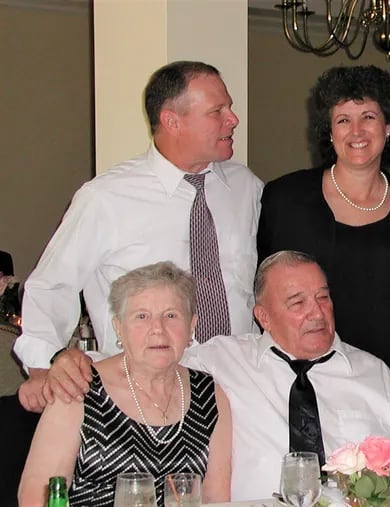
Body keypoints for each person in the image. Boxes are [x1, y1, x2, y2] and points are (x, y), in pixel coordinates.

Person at [47, 251, 390, 501]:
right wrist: (70, 362)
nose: (316, 312)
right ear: (263, 316)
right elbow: (148, 355)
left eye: (323, 297)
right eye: (297, 302)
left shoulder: (373, 373)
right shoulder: (221, 361)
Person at [14, 60, 264, 413]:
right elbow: (52, 285)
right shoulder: (106, 198)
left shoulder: (246, 188)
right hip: (139, 397)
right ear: (172, 121)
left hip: (239, 393)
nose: (233, 119)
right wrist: (43, 367)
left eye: (230, 107)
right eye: (217, 111)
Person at [257, 65, 390, 406]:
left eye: (368, 117)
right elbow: (265, 291)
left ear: (388, 126)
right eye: (343, 120)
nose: (357, 131)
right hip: (303, 381)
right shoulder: (286, 199)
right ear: (329, 132)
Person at [17, 262, 232, 506]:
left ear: (191, 326)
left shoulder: (209, 394)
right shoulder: (79, 386)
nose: (158, 329)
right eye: (142, 316)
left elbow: (217, 500)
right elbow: (36, 495)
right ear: (119, 329)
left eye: (171, 315)